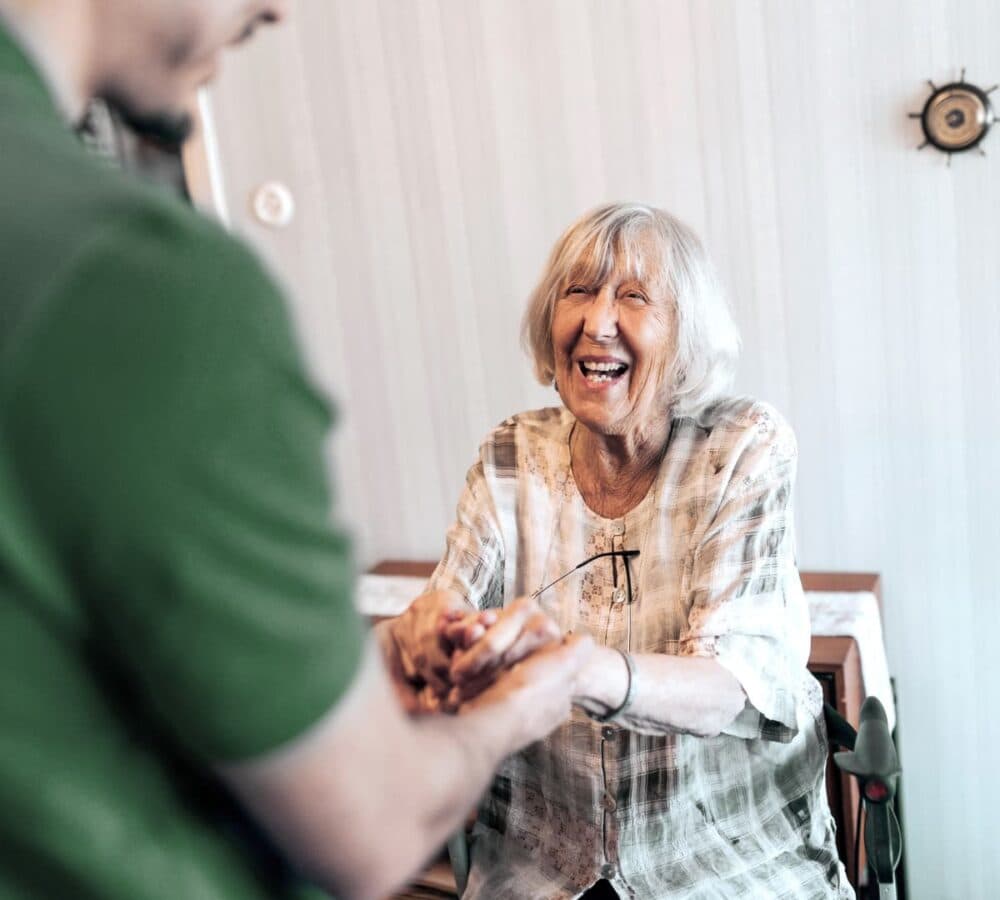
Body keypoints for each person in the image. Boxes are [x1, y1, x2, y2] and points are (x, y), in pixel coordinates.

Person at [0, 2, 592, 899]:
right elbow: (371, 825)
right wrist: (518, 712)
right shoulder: (151, 287)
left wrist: (355, 670)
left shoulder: (743, 448)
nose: (276, 8)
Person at [390, 203, 854, 898]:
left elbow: (731, 684)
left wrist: (582, 670)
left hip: (728, 867)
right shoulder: (511, 454)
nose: (597, 320)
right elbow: (443, 606)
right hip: (539, 868)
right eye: (578, 291)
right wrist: (423, 632)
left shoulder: (742, 447)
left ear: (686, 339)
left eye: (634, 297)